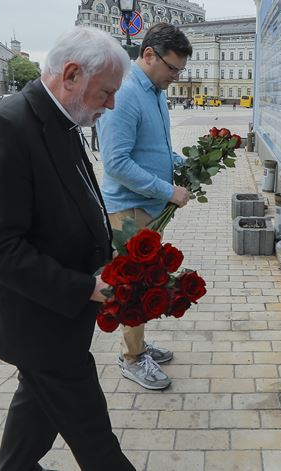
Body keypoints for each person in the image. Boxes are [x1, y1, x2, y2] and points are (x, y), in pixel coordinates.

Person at [0, 26, 136, 470]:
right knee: (95, 439)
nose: (111, 104)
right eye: (106, 92)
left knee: (36, 407)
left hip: (57, 314)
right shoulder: (4, 127)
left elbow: (77, 199)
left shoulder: (63, 117)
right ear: (71, 75)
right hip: (35, 318)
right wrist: (83, 288)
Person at [98, 23, 193, 390]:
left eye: (180, 70)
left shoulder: (154, 90)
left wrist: (182, 164)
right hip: (128, 213)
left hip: (149, 211)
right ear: (148, 55)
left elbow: (154, 148)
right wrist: (168, 191)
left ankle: (137, 343)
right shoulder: (124, 95)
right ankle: (132, 358)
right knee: (135, 288)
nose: (175, 76)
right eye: (172, 68)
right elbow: (117, 163)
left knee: (145, 281)